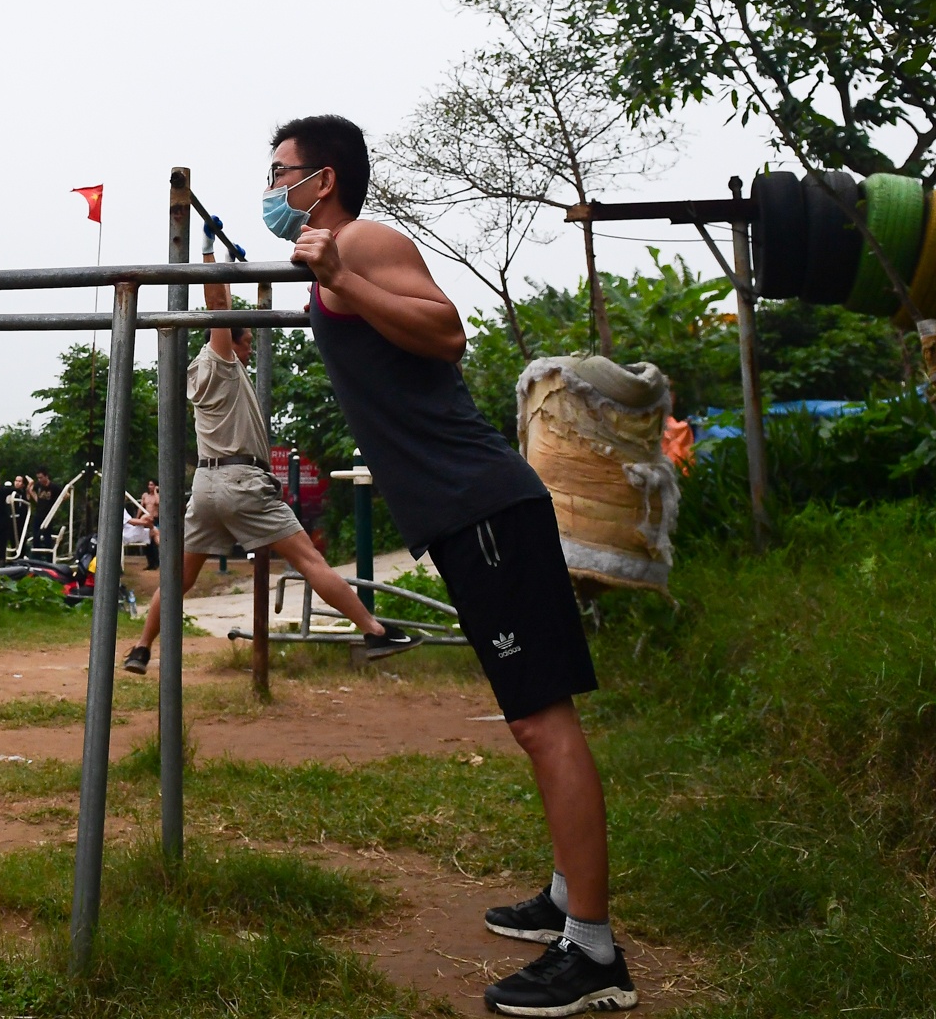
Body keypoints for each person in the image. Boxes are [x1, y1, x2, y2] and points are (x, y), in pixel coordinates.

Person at [267, 114, 635, 1016]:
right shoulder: (332, 249)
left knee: (542, 723)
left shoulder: (364, 239)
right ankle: (563, 899)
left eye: (281, 171)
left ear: (324, 178)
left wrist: (342, 270)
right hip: (467, 513)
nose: (270, 186)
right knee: (530, 721)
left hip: (486, 507)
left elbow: (445, 331)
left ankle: (593, 952)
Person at [122, 224, 410, 676]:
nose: (252, 347)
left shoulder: (200, 372)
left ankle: (140, 648)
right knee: (308, 559)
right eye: (247, 340)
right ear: (228, 340)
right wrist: (207, 250)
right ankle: (374, 631)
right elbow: (218, 305)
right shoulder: (220, 359)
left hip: (206, 486)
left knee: (180, 578)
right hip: (239, 481)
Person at [123, 479, 161, 570]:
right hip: (144, 521)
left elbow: (158, 502)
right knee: (147, 543)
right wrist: (138, 517)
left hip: (154, 519)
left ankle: (157, 562)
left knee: (153, 541)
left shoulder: (157, 496)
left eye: (152, 485)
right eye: (149, 485)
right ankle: (151, 563)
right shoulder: (145, 496)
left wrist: (156, 491)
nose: (150, 486)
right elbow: (141, 507)